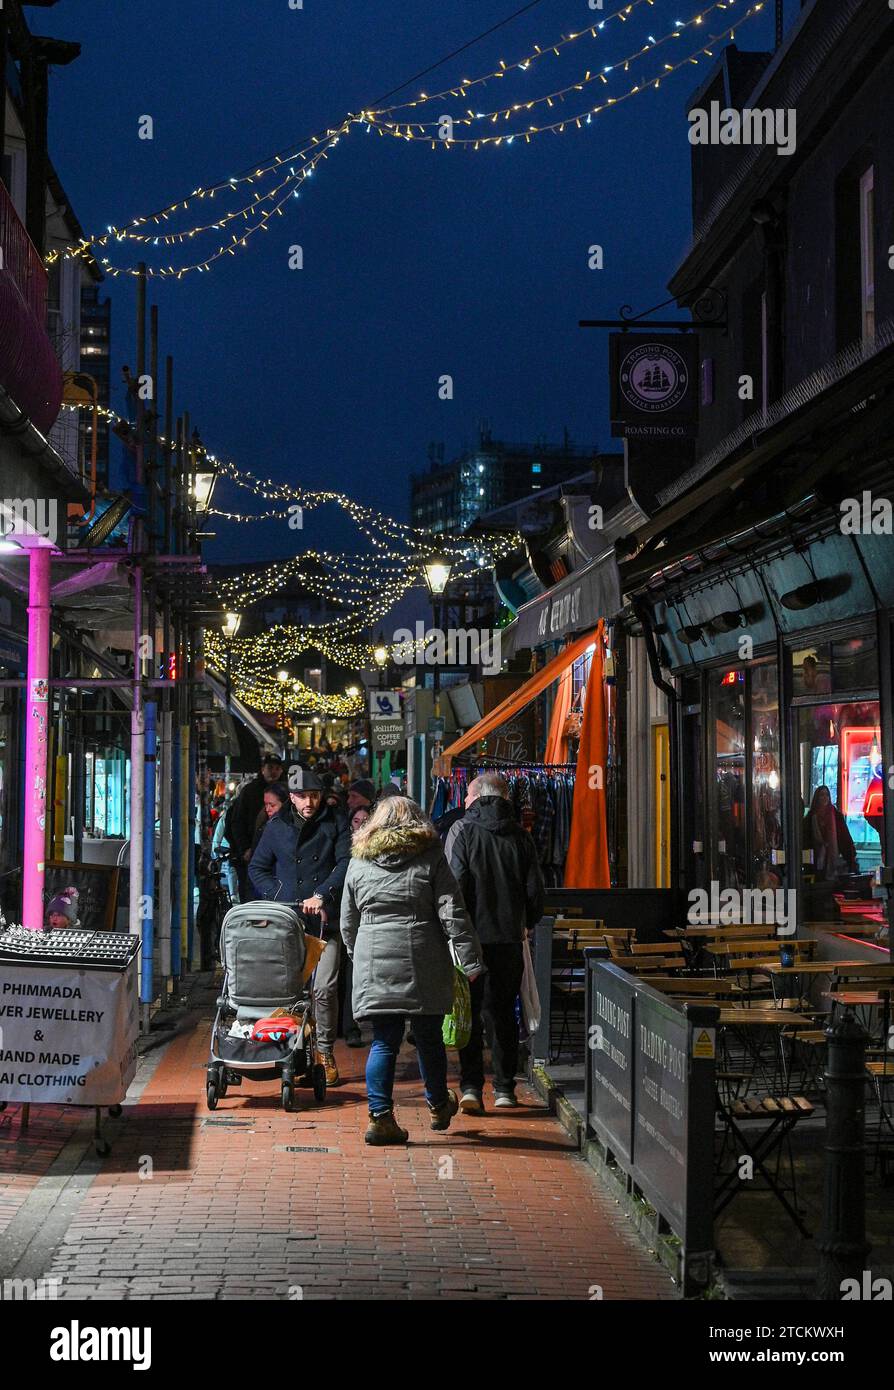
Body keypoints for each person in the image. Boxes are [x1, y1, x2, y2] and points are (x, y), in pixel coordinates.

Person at [341, 795, 483, 1145]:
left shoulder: (359, 861)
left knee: (384, 1039)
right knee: (428, 1037)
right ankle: (437, 1105)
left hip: (374, 959)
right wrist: (470, 960)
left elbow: (348, 919)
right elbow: (452, 912)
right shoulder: (431, 856)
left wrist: (356, 952)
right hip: (424, 958)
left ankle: (380, 1118)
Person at [448, 771, 545, 1113]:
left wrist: (454, 929)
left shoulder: (461, 831)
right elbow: (535, 891)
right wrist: (524, 923)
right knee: (503, 1012)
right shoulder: (520, 836)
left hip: (469, 939)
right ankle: (505, 1088)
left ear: (473, 797)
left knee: (469, 1012)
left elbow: (454, 886)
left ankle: (472, 1086)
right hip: (507, 938)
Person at [249, 769, 350, 1084]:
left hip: (324, 921)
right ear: (291, 797)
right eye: (303, 796)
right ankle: (291, 1052)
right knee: (290, 991)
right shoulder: (276, 828)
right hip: (289, 920)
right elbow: (257, 867)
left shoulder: (336, 821)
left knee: (323, 988)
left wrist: (322, 895)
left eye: (315, 795)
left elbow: (346, 862)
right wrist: (280, 896)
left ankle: (325, 1052)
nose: (310, 802)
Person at [226, 754, 285, 901]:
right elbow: (236, 822)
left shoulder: (285, 792)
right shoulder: (249, 791)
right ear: (262, 769)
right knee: (252, 897)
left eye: (277, 768)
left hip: (278, 855)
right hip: (251, 854)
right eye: (270, 767)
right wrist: (245, 848)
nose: (273, 771)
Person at [804, 784, 858, 879]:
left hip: (834, 858)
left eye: (827, 795)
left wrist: (850, 855)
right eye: (822, 795)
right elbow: (806, 840)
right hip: (815, 860)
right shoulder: (810, 818)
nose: (825, 798)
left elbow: (844, 838)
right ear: (817, 798)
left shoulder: (836, 816)